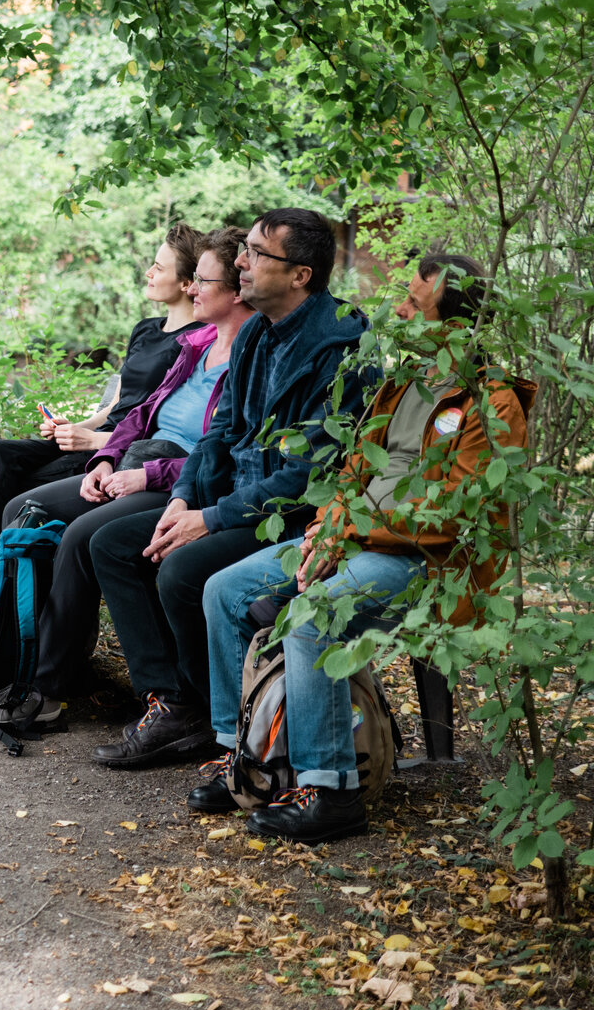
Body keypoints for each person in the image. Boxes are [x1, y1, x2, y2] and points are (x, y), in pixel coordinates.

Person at [197, 254, 529, 841]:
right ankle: (245, 764)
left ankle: (332, 792)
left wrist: (347, 532)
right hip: (350, 539)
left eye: (414, 304)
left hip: (426, 562)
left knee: (311, 621)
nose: (398, 311)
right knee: (223, 589)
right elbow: (351, 474)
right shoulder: (402, 384)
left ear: (457, 325)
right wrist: (326, 528)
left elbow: (454, 514)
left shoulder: (491, 400)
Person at [89, 207, 371, 768]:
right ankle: (176, 701)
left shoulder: (339, 346)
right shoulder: (256, 334)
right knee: (113, 546)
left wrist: (210, 520)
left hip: (289, 518)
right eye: (244, 252)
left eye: (257, 254)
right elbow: (219, 434)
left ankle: (230, 730)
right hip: (230, 500)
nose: (242, 262)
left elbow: (309, 474)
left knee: (183, 570)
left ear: (300, 275)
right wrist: (182, 499)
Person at [0, 223, 211, 671]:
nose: (149, 272)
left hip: (119, 456)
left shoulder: (197, 343)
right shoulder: (147, 330)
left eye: (159, 266)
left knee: (4, 499)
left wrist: (96, 442)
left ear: (188, 282)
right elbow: (120, 404)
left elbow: (159, 424)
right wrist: (76, 426)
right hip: (97, 442)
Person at [0, 226, 255, 719]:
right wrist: (103, 459)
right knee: (24, 508)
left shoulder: (252, 357)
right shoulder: (198, 344)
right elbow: (139, 412)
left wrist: (149, 476)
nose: (191, 288)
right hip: (138, 460)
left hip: (184, 484)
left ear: (236, 291)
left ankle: (51, 687)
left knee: (86, 536)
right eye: (190, 280)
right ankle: (9, 662)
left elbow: (224, 453)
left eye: (202, 281)